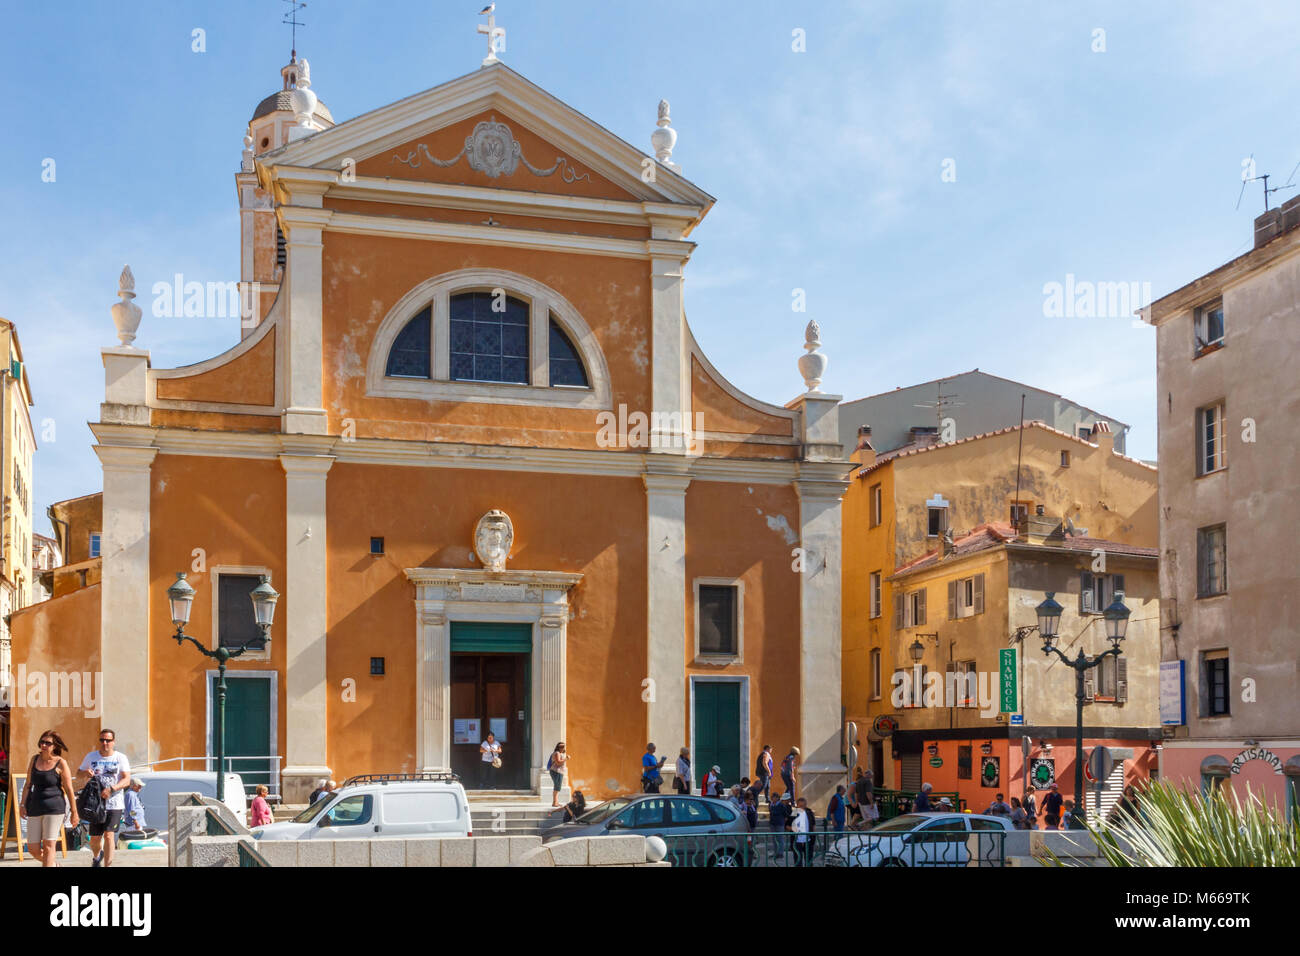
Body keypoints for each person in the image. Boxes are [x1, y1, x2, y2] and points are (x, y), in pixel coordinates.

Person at [19, 730, 79, 867]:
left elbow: (69, 789)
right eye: (42, 742)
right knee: (33, 849)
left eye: (48, 743)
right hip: (35, 807)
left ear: (55, 746)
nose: (44, 745)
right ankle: (53, 865)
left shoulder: (60, 763)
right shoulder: (34, 759)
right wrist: (22, 805)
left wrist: (75, 812)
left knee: (48, 846)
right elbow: (28, 784)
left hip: (54, 808)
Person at [77, 728, 131, 868]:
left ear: (114, 742)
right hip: (96, 804)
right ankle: (97, 856)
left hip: (114, 803)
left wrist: (112, 789)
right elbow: (78, 773)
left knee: (109, 835)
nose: (105, 743)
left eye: (108, 740)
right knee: (94, 840)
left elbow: (127, 780)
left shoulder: (120, 758)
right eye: (102, 740)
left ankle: (108, 865)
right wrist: (85, 772)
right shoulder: (91, 756)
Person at [547, 742, 569, 808]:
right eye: (560, 746)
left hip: (559, 772)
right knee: (557, 787)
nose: (562, 748)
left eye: (563, 746)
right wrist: (566, 759)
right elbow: (558, 762)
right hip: (556, 771)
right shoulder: (557, 753)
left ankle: (556, 802)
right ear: (557, 747)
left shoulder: (561, 753)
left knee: (557, 787)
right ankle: (554, 802)